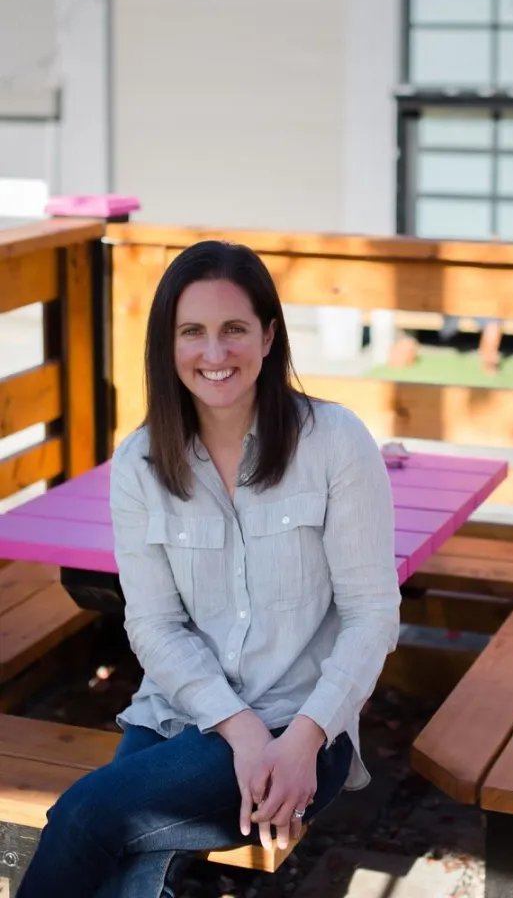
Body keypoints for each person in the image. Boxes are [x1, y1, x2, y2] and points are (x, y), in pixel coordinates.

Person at [17, 240, 401, 898]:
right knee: (121, 873)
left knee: (84, 819)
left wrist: (301, 739)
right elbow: (155, 624)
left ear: (269, 336)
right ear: (167, 345)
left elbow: (373, 613)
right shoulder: (140, 464)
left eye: (234, 330)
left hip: (305, 727)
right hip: (179, 715)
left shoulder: (335, 442)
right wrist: (239, 729)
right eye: (192, 332)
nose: (214, 354)